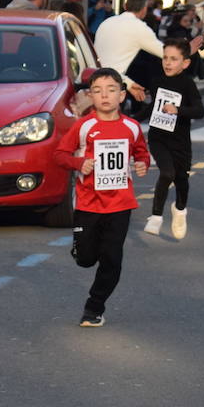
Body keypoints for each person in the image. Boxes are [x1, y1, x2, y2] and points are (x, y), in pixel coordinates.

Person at [53, 68, 150, 327]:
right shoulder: (84, 127)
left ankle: (93, 308)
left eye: (111, 90)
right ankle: (80, 248)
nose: (104, 95)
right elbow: (60, 155)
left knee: (112, 259)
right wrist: (79, 163)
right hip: (88, 203)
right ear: (91, 97)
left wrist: (142, 164)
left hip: (120, 203)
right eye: (97, 90)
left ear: (121, 95)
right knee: (86, 259)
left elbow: (142, 154)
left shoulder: (132, 127)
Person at [131, 39, 204, 238]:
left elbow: (199, 110)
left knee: (181, 179)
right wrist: (131, 120)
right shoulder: (157, 81)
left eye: (174, 59)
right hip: (158, 138)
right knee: (167, 173)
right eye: (165, 58)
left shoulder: (188, 84)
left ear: (185, 63)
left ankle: (180, 210)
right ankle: (156, 216)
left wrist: (178, 110)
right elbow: (152, 106)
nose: (168, 63)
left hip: (180, 141)